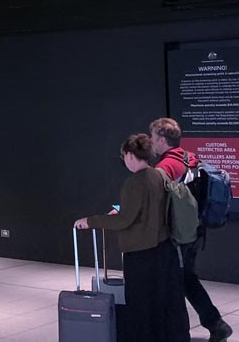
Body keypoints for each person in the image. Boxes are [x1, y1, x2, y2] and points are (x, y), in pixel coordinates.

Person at [76, 134, 190, 342]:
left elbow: (124, 220)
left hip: (140, 253)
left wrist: (91, 221)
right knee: (163, 302)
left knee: (140, 305)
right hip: (164, 249)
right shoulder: (159, 176)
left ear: (130, 155)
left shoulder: (134, 182)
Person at [150, 117, 233, 342]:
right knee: (187, 279)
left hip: (179, 235)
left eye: (154, 138)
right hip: (196, 231)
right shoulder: (190, 158)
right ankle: (216, 324)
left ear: (162, 139)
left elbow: (155, 200)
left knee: (175, 282)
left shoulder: (166, 166)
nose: (151, 143)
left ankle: (181, 332)